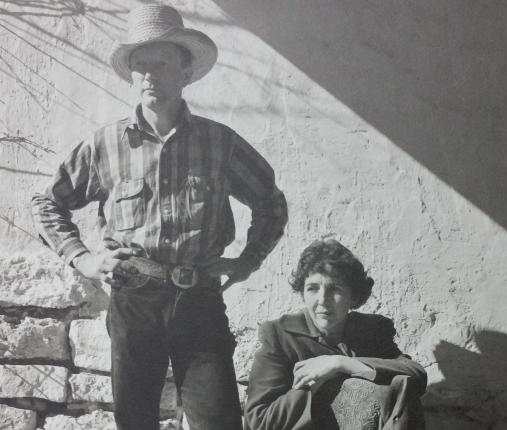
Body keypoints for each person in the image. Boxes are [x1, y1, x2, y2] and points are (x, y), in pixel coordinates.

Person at [31, 4, 287, 430]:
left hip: (199, 300)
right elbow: (47, 203)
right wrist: (83, 258)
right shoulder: (105, 145)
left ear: (185, 73)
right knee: (136, 422)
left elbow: (270, 202)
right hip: (134, 299)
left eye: (162, 63)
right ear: (131, 75)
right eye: (140, 65)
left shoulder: (219, 143)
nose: (150, 74)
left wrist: (249, 260)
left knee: (219, 420)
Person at [244, 239, 427, 430]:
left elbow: (416, 374)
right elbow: (259, 422)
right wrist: (314, 383)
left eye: (335, 289)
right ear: (303, 293)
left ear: (353, 296)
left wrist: (339, 363)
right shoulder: (279, 336)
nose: (323, 300)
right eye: (312, 288)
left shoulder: (372, 330)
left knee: (400, 385)